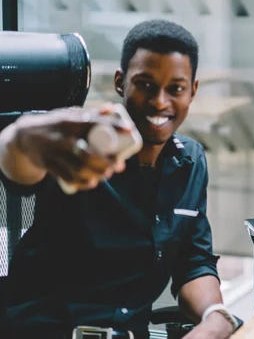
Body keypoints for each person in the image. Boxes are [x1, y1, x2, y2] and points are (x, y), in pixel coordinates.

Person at [0, 20, 236, 339]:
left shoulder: (190, 161)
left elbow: (194, 261)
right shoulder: (83, 149)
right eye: (146, 85)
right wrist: (22, 137)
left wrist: (215, 317)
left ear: (192, 91)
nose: (160, 102)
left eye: (175, 88)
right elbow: (19, 169)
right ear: (121, 83)